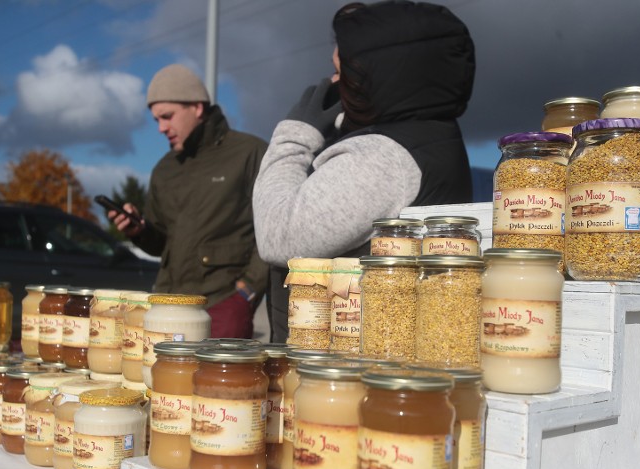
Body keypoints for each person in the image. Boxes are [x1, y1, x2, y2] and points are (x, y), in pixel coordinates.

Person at [252, 1, 476, 342]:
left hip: (344, 374)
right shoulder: (428, 137)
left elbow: (277, 235)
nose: (333, 82)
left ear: (377, 77)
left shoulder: (384, 158)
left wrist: (295, 136)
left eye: (344, 73)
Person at [109, 63, 269, 339]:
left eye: (167, 116)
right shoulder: (165, 169)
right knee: (161, 382)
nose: (161, 128)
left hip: (222, 304)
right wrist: (139, 231)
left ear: (197, 107)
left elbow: (274, 228)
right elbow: (161, 243)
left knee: (219, 384)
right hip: (167, 305)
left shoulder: (249, 153)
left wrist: (247, 291)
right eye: (156, 120)